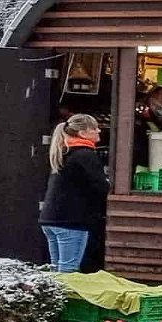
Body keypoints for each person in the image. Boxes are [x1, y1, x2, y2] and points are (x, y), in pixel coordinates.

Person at [39, 114, 110, 273]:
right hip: (71, 220)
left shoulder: (64, 152)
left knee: (56, 267)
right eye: (94, 128)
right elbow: (100, 185)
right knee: (68, 269)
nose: (99, 130)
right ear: (82, 133)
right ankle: (64, 297)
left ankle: (53, 296)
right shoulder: (86, 154)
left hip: (50, 218)